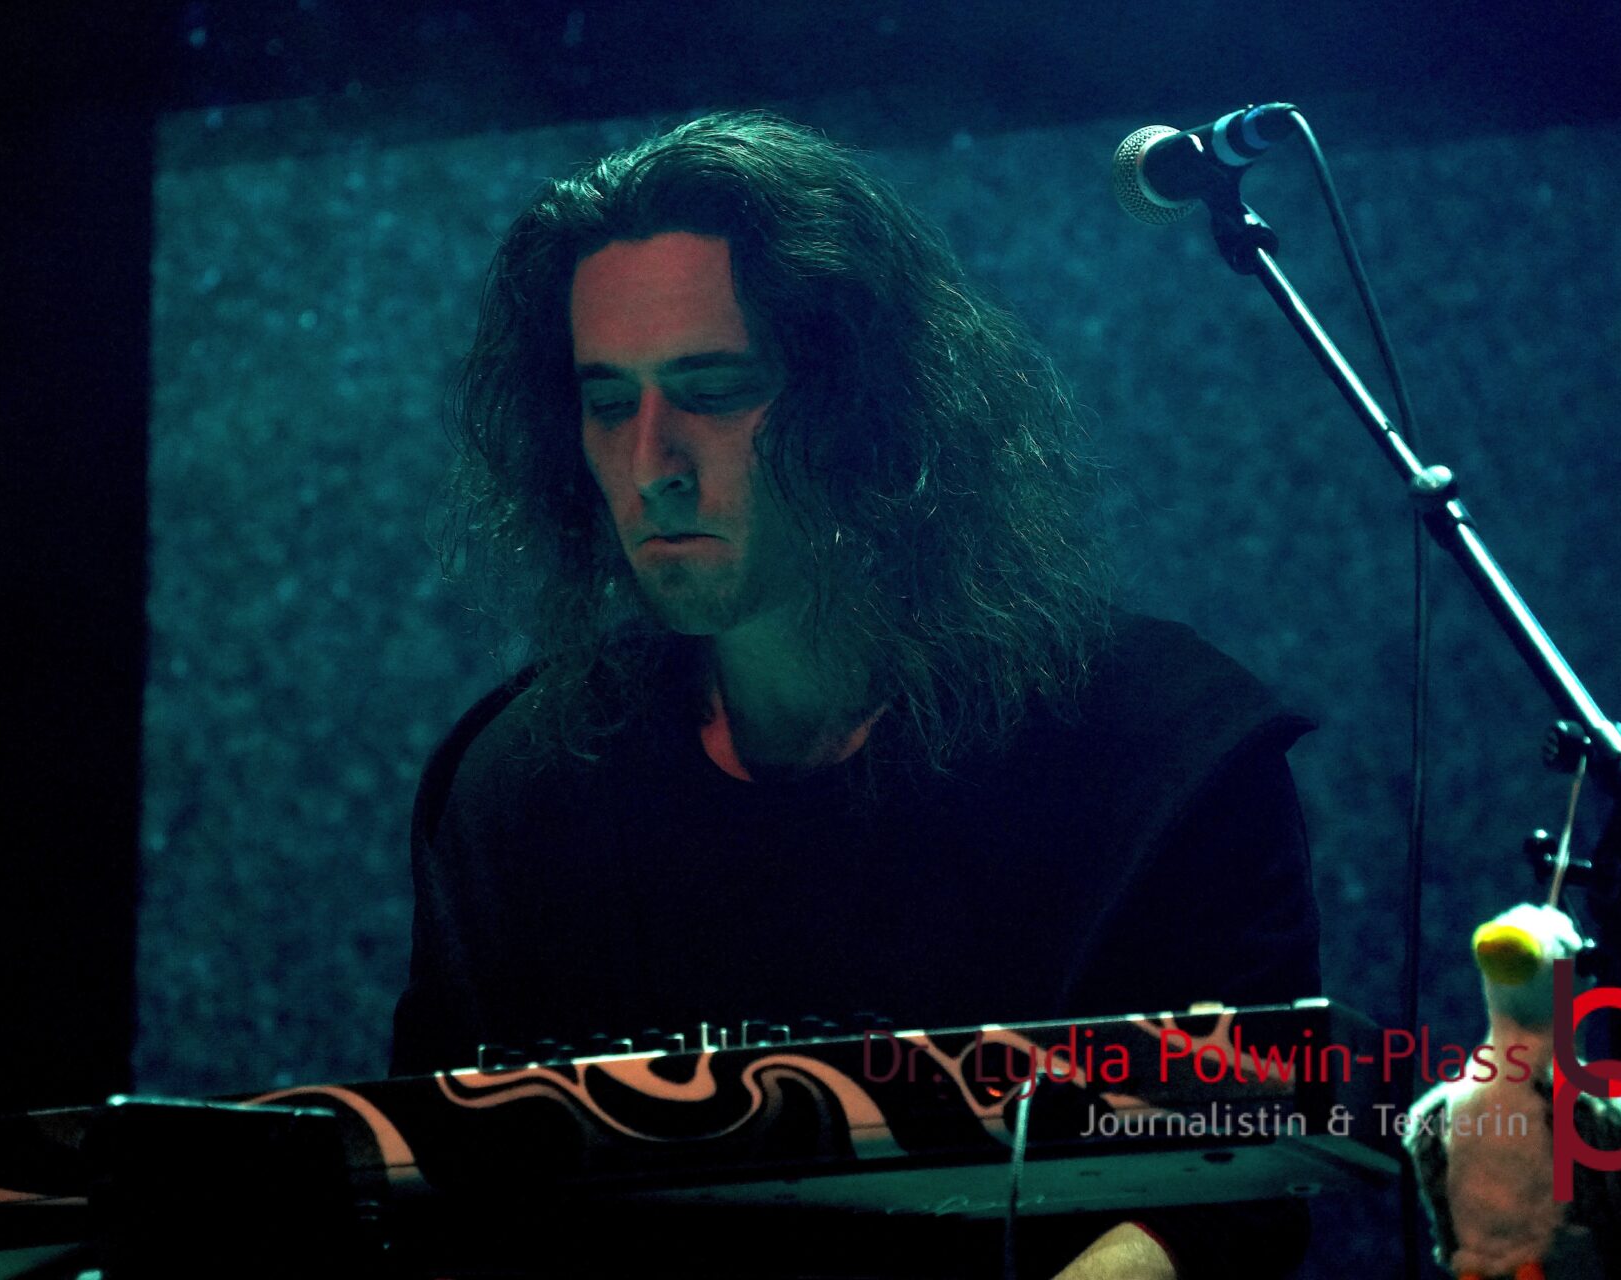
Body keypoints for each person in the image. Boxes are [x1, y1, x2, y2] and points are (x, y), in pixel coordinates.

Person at [393, 111, 1321, 1279]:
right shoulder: (522, 785)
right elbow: (442, 1198)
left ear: (866, 407)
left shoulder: (1160, 745)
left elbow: (1234, 1177)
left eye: (714, 388)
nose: (651, 462)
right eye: (608, 401)